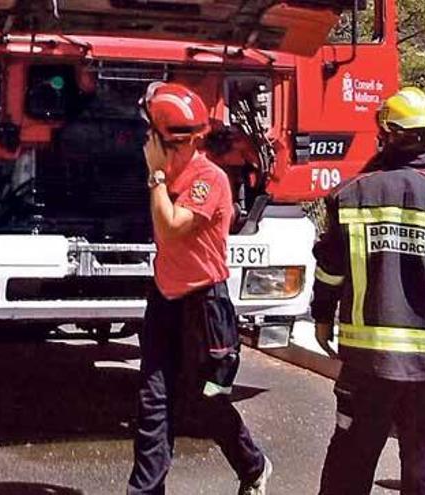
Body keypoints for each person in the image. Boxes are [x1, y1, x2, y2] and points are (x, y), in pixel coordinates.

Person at [127, 82, 272, 495]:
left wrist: (155, 178)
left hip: (206, 306)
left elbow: (171, 229)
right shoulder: (167, 169)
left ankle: (253, 466)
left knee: (208, 399)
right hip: (165, 301)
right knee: (153, 402)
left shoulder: (208, 179)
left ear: (159, 136)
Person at [313, 86, 425, 495]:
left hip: (366, 362)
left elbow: (330, 269)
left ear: (387, 134)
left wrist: (322, 318)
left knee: (350, 460)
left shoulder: (352, 193)